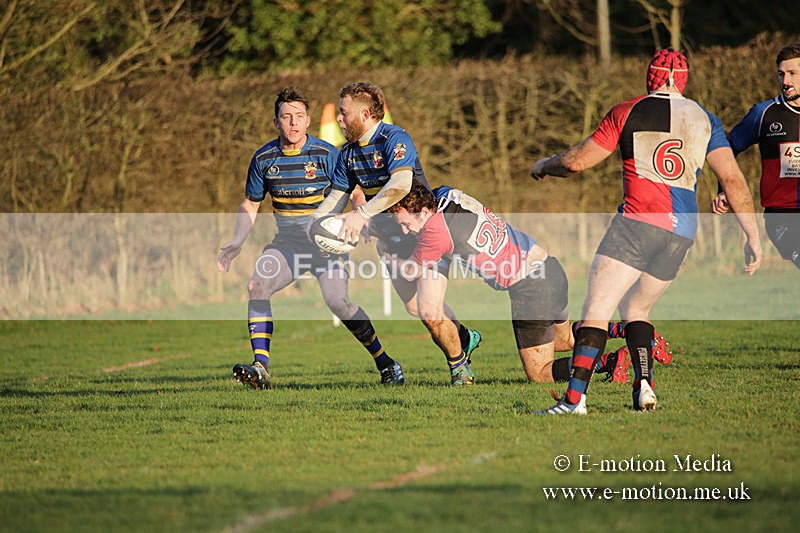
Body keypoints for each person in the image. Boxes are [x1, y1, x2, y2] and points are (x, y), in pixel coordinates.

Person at [530, 48, 762, 414]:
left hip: (638, 223)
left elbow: (576, 163)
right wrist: (752, 236)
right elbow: (733, 180)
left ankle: (574, 400)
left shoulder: (628, 110)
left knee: (596, 310)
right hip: (682, 232)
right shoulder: (706, 119)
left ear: (649, 77)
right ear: (683, 79)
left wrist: (544, 164)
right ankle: (644, 387)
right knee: (637, 307)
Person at [386, 180, 673, 385]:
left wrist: (387, 256)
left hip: (528, 288)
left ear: (424, 212)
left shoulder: (434, 231)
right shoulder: (447, 194)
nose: (404, 229)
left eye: (405, 223)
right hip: (549, 267)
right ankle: (630, 331)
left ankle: (608, 362)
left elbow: (411, 272)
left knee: (539, 374)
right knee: (565, 341)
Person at [217, 87, 404, 390]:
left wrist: (362, 221)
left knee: (338, 302)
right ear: (275, 121)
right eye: (286, 117)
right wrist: (238, 240)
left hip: (326, 247)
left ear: (308, 122)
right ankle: (260, 368)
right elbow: (250, 203)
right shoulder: (264, 158)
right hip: (287, 245)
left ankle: (385, 362)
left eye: (299, 117)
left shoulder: (327, 154)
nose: (292, 123)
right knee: (257, 285)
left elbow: (355, 193)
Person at [309, 81, 482, 385]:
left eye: (343, 112)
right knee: (416, 307)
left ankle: (460, 371)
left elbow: (401, 185)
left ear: (364, 114)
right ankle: (464, 335)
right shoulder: (347, 153)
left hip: (422, 234)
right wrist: (316, 223)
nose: (338, 118)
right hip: (390, 242)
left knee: (429, 310)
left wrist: (361, 215)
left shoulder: (394, 139)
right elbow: (337, 196)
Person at [712, 43, 800, 268]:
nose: (785, 81)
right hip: (783, 217)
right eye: (781, 74)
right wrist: (724, 190)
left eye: (792, 73)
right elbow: (727, 148)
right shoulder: (764, 114)